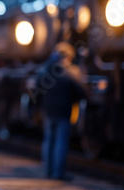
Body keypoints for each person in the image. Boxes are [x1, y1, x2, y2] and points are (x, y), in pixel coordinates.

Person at [36, 42, 87, 180]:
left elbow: (37, 89)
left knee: (49, 140)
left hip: (49, 111)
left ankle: (48, 170)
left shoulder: (45, 70)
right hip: (64, 112)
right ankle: (58, 173)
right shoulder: (69, 73)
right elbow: (81, 93)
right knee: (61, 142)